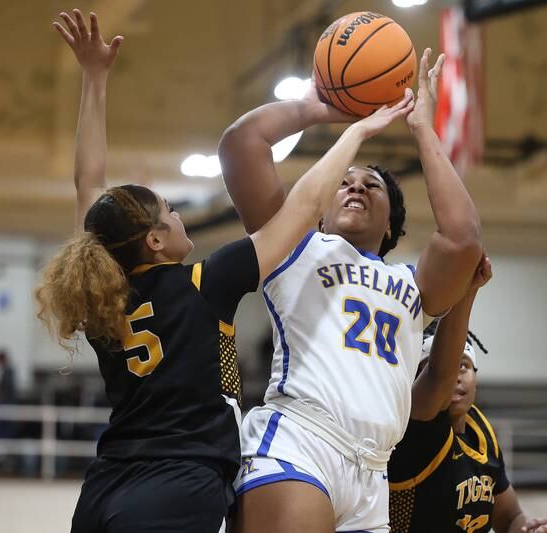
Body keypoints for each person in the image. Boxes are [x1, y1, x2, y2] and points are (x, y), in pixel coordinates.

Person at [37, 9, 414, 533]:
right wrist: (356, 131)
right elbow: (305, 207)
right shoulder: (205, 282)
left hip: (106, 483)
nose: (179, 214)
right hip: (178, 480)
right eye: (170, 211)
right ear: (154, 240)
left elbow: (88, 185)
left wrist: (94, 80)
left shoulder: (104, 294)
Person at [220, 48, 483, 533]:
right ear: (319, 214)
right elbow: (241, 144)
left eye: (372, 185)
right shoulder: (294, 245)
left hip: (373, 472)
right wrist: (320, 111)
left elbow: (464, 238)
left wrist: (422, 130)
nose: (357, 187)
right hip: (299, 441)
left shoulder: (412, 285)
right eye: (344, 182)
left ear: (391, 225)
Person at [388, 256, 547, 533]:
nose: (454, 375)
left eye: (464, 366)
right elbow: (438, 378)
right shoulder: (411, 425)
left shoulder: (481, 430)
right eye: (429, 367)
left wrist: (527, 529)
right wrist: (466, 288)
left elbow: (509, 516)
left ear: (476, 376)